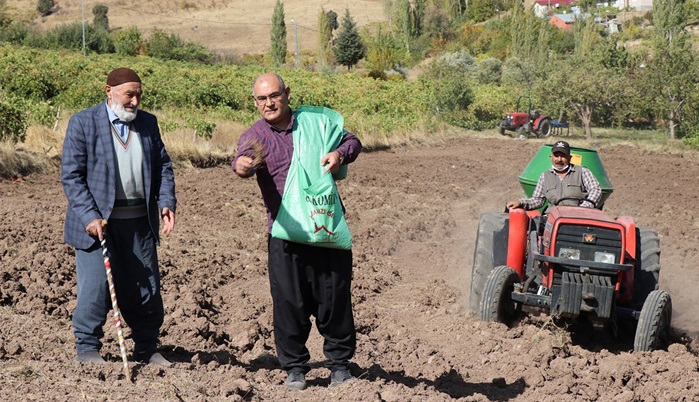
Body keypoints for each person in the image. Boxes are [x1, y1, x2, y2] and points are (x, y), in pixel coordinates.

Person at [232, 73, 362, 390]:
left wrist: (339, 155)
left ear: (287, 94)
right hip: (286, 234)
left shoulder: (315, 124)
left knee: (335, 300)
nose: (269, 103)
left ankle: (340, 367)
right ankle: (295, 369)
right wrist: (243, 166)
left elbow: (352, 141)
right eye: (261, 99)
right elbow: (240, 159)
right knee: (289, 303)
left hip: (325, 228)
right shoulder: (255, 136)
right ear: (254, 102)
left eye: (274, 95)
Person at [61, 67, 176, 366]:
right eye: (129, 94)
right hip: (98, 224)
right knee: (96, 288)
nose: (135, 101)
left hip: (139, 222)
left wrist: (166, 201)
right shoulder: (84, 123)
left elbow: (163, 165)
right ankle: (87, 349)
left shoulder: (148, 123)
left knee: (146, 288)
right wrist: (89, 216)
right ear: (108, 91)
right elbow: (72, 176)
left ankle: (147, 347)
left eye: (139, 94)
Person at [507, 140, 602, 212]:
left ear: (570, 158)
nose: (559, 159)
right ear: (551, 157)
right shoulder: (545, 176)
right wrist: (521, 202)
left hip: (578, 217)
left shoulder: (582, 172)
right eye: (556, 156)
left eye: (563, 156)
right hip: (553, 217)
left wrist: (583, 208)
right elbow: (538, 200)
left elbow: (595, 190)